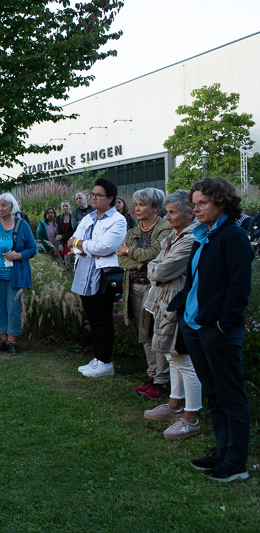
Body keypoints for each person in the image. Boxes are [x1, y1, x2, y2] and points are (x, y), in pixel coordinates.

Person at [169, 177, 254, 482]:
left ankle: (236, 463)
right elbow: (195, 281)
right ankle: (222, 451)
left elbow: (239, 289)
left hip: (217, 330)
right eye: (194, 204)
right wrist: (184, 315)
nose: (196, 209)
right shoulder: (204, 234)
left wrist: (221, 326)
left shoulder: (233, 236)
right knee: (215, 394)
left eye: (202, 203)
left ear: (221, 202)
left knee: (230, 395)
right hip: (195, 325)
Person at [141, 191, 202, 439]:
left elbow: (161, 270)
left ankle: (191, 416)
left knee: (183, 359)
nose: (167, 217)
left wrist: (155, 270)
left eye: (173, 212)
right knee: (171, 355)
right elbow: (154, 265)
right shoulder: (173, 236)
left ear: (189, 214)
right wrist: (155, 269)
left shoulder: (191, 238)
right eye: (167, 212)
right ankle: (175, 403)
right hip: (164, 302)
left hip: (178, 303)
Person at [117, 188, 172, 398]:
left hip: (155, 288)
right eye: (136, 204)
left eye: (142, 205)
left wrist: (130, 251)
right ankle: (152, 376)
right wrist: (139, 259)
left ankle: (161, 381)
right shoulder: (133, 231)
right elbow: (121, 260)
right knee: (145, 333)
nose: (137, 209)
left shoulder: (165, 228)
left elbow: (154, 254)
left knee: (158, 332)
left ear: (156, 207)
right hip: (134, 287)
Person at [72, 179, 127, 378]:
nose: (94, 198)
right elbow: (72, 242)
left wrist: (81, 244)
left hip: (102, 275)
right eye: (93, 194)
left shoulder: (118, 220)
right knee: (92, 319)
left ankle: (105, 362)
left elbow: (105, 247)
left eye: (98, 195)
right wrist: (84, 245)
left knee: (102, 318)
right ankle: (97, 358)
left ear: (110, 198)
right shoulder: (88, 218)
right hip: (84, 273)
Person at [0, 193, 37, 354]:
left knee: (13, 309)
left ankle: (13, 342)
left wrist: (19, 255)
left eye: (4, 205)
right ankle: (4, 340)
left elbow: (33, 248)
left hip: (14, 277)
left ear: (12, 207)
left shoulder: (21, 225)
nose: (0, 208)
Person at [55, 200, 74, 270]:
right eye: (63, 206)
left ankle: (70, 276)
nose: (65, 208)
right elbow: (57, 232)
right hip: (61, 242)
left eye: (66, 206)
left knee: (68, 264)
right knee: (60, 264)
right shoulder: (58, 219)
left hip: (70, 242)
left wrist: (63, 236)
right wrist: (60, 243)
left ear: (70, 206)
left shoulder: (73, 218)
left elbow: (73, 231)